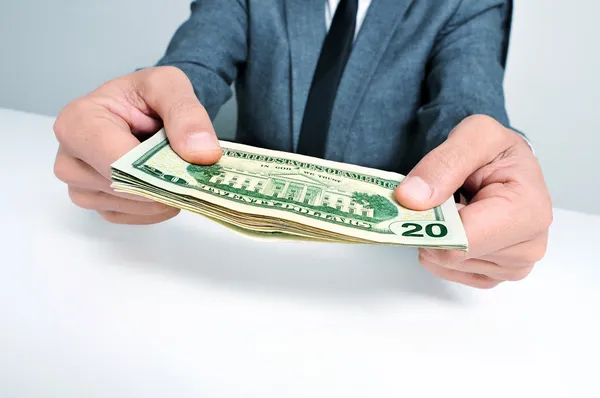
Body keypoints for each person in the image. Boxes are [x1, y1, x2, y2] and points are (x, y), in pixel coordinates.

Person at [52, 0, 553, 289]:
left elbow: (467, 110)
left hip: (378, 277)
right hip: (231, 261)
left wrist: (498, 158)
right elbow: (193, 68)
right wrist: (142, 123)